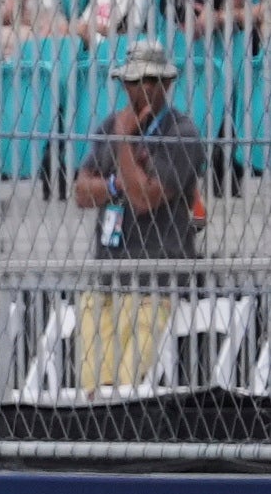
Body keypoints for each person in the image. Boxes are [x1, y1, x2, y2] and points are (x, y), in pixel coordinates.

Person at [66, 37, 224, 406]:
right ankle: (99, 417)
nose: (141, 89)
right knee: (93, 384)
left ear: (167, 83)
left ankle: (120, 418)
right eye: (134, 80)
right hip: (108, 276)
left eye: (150, 80)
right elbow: (82, 192)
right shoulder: (111, 125)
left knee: (126, 386)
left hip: (157, 280)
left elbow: (142, 200)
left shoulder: (181, 134)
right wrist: (115, 183)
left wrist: (123, 143)